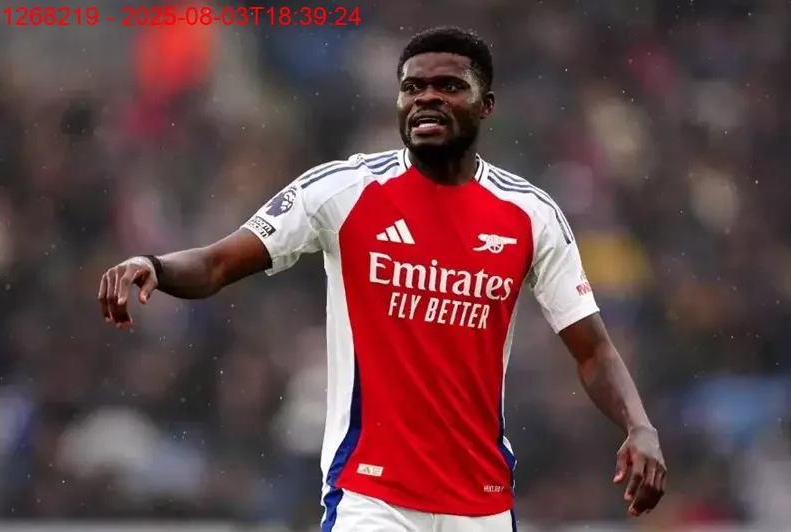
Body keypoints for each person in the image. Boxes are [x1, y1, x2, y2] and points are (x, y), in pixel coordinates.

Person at [99, 26, 666, 532]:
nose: (426, 98)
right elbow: (218, 263)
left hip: (482, 501)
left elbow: (593, 351)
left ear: (486, 105)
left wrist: (639, 426)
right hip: (372, 498)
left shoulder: (531, 214)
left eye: (448, 86)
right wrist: (155, 265)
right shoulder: (344, 190)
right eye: (412, 87)